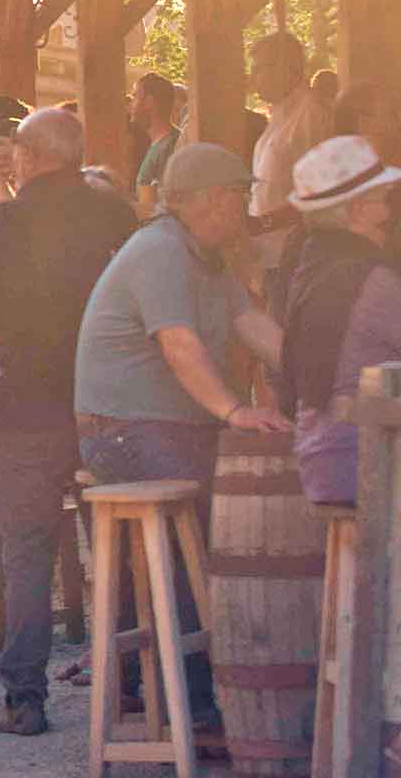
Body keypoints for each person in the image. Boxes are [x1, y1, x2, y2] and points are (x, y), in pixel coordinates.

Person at [75, 141, 289, 729]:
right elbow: (178, 343)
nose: (247, 208)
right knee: (205, 529)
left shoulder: (204, 257)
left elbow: (252, 325)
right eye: (242, 196)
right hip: (126, 432)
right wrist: (233, 411)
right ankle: (191, 703)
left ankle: (167, 689)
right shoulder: (161, 252)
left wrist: (309, 371)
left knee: (211, 522)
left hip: (160, 426)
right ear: (214, 200)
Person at [0, 105, 141, 735]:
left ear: (29, 156)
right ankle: (131, 683)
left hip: (28, 407)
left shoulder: (4, 222)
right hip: (106, 404)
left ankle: (24, 698)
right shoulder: (114, 213)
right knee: (118, 548)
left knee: (26, 554)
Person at [280, 137, 401, 505]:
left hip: (322, 457)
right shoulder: (371, 279)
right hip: (361, 464)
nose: (392, 212)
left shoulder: (312, 265)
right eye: (386, 200)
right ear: (359, 209)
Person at [250, 31, 336, 262]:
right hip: (270, 255)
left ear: (288, 67)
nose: (252, 77)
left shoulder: (310, 116)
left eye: (260, 68)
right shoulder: (279, 117)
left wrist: (263, 222)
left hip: (295, 256)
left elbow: (320, 193)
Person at [131, 71, 182, 216]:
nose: (131, 104)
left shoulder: (170, 147)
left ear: (149, 102)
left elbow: (154, 209)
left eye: (135, 96)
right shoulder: (159, 144)